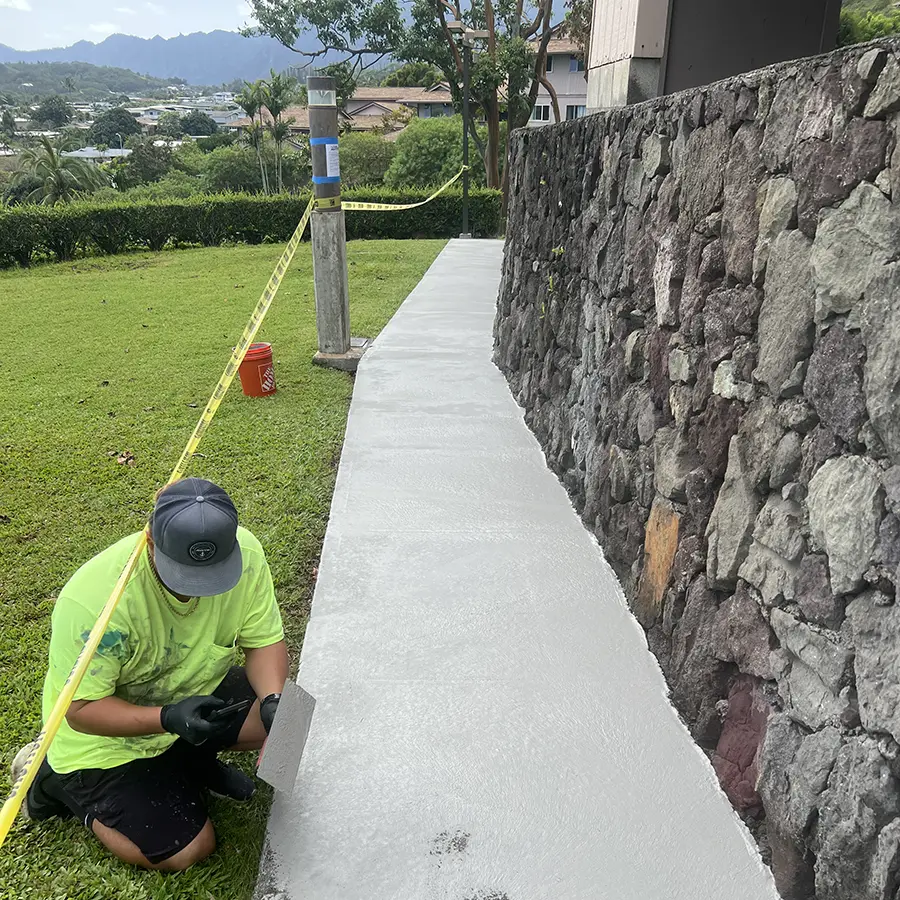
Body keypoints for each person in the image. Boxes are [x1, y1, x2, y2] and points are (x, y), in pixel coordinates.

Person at [11, 477, 289, 872]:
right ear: (150, 541)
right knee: (188, 851)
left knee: (289, 715)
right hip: (101, 743)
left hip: (190, 694)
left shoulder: (248, 554)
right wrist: (167, 717)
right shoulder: (96, 601)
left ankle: (187, 762)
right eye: (186, 576)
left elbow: (264, 643)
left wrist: (274, 702)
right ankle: (51, 779)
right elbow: (80, 708)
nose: (201, 592)